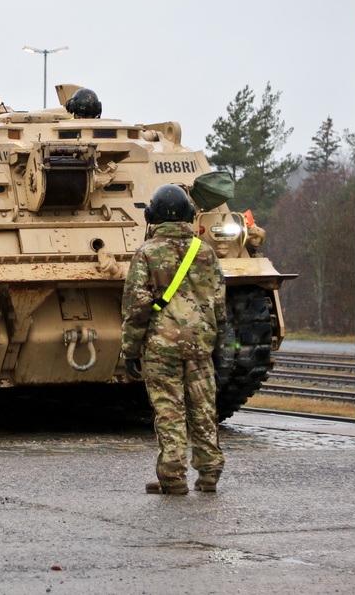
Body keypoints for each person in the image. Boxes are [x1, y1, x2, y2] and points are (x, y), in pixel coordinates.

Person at [121, 184, 227, 494]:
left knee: (170, 412)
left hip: (161, 348)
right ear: (189, 216)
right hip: (200, 346)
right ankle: (209, 475)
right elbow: (219, 303)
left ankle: (173, 478)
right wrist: (217, 346)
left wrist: (130, 348)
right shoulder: (205, 251)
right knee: (204, 410)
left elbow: (137, 305)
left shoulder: (147, 253)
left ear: (152, 216)